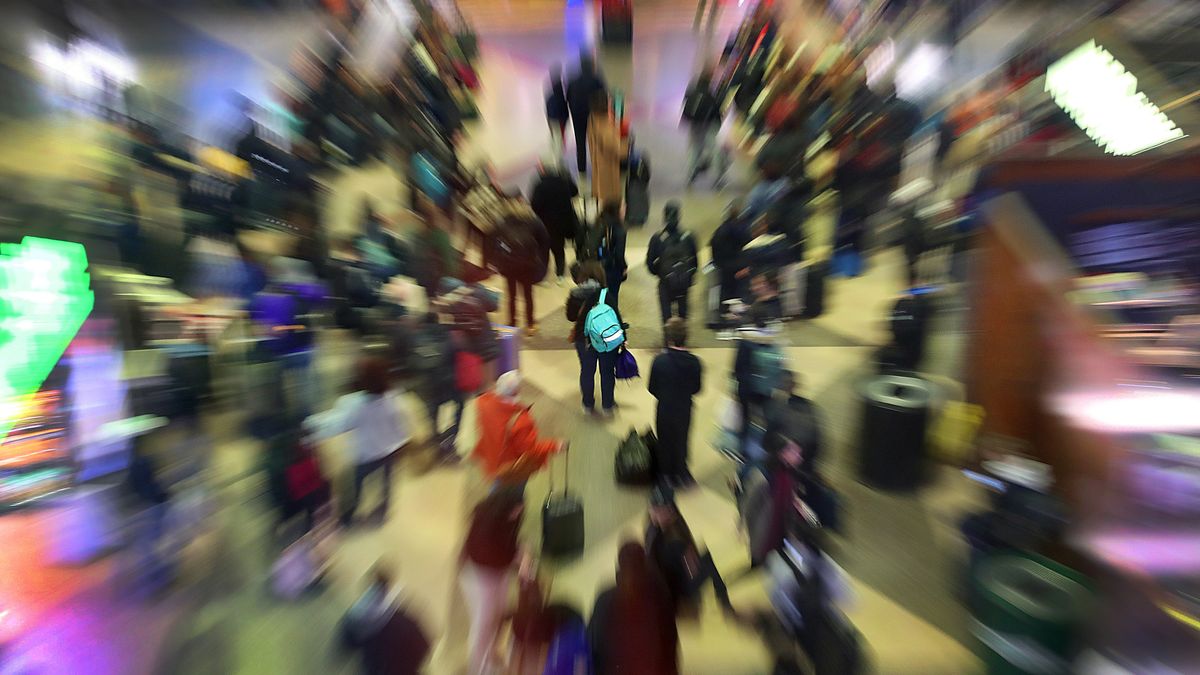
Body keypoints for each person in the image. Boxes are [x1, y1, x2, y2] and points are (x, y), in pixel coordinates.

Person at [305, 356, 413, 525]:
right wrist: (402, 443)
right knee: (387, 483)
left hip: (366, 455)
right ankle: (384, 511)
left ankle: (348, 517)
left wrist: (310, 424)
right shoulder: (394, 398)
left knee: (354, 486)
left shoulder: (355, 405)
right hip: (389, 451)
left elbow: (338, 425)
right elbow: (402, 425)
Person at [459, 488, 527, 675]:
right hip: (479, 578)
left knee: (500, 613)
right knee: (483, 624)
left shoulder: (507, 518)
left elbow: (510, 543)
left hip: (497, 573)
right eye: (516, 511)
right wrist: (515, 558)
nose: (517, 515)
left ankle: (492, 654)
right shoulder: (485, 527)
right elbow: (488, 557)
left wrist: (518, 553)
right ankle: (478, 669)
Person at [249, 256, 326, 416]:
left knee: (276, 391)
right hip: (303, 347)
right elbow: (322, 295)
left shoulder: (263, 295)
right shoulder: (304, 290)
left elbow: (255, 320)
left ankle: (282, 420)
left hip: (276, 352)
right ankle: (305, 423)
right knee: (304, 390)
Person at [587, 541, 679, 675]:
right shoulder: (659, 594)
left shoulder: (605, 599)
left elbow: (593, 642)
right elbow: (671, 639)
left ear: (619, 565)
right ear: (644, 563)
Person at [644, 485, 734, 616]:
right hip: (677, 592)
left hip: (672, 586)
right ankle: (725, 605)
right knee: (707, 560)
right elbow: (685, 568)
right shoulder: (664, 539)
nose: (668, 512)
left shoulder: (655, 529)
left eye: (668, 509)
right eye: (658, 510)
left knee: (703, 558)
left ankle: (722, 602)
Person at [472, 371, 565, 489]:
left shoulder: (483, 404)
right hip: (511, 466)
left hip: (492, 458)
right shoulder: (520, 420)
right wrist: (555, 445)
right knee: (509, 492)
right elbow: (530, 449)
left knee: (498, 487)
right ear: (517, 391)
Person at [341, 565, 432, 675]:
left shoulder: (355, 616)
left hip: (374, 669)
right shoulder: (403, 618)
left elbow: (346, 646)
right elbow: (424, 646)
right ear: (388, 587)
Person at [648, 319, 703, 487]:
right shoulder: (695, 362)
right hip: (684, 408)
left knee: (665, 439)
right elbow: (697, 388)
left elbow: (652, 387)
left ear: (669, 338)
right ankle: (681, 472)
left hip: (664, 407)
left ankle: (665, 474)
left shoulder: (659, 361)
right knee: (682, 439)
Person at [739, 432, 805, 566]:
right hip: (764, 533)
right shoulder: (763, 477)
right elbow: (749, 506)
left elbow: (789, 500)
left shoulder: (791, 474)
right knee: (759, 559)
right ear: (782, 453)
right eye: (794, 453)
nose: (799, 458)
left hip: (779, 530)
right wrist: (742, 526)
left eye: (799, 454)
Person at [566, 262, 620, 417]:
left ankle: (588, 404)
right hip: (605, 340)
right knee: (607, 372)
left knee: (587, 371)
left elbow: (570, 317)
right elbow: (616, 316)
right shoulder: (605, 294)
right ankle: (607, 405)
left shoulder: (575, 294)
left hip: (583, 339)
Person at [409, 311, 465, 462]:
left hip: (428, 387)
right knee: (460, 406)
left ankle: (436, 441)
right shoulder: (447, 336)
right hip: (448, 385)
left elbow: (413, 363)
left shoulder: (416, 339)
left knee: (433, 415)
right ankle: (451, 438)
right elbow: (458, 352)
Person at [646, 201, 699, 324]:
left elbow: (649, 264)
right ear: (679, 216)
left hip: (665, 283)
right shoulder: (688, 237)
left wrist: (660, 273)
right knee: (683, 315)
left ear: (664, 217)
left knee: (666, 317)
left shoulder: (657, 238)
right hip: (683, 283)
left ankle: (668, 340)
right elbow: (695, 263)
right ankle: (681, 340)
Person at [529, 155, 580, 284]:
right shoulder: (563, 180)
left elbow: (534, 204)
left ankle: (543, 276)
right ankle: (560, 274)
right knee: (559, 249)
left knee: (543, 250)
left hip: (545, 223)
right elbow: (575, 192)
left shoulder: (540, 185)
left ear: (542, 171)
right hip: (562, 222)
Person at [764, 371, 823, 475]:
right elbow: (817, 435)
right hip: (808, 458)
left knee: (766, 465)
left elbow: (769, 438)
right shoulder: (808, 405)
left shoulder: (777, 405)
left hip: (790, 461)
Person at [681, 67, 727, 187]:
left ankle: (691, 173)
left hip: (694, 124)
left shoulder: (692, 90)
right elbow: (716, 110)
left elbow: (685, 103)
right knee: (714, 148)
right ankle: (718, 177)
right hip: (708, 125)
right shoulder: (710, 94)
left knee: (694, 148)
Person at [566, 53, 607, 173]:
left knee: (580, 144)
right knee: (595, 143)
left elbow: (568, 97)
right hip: (593, 116)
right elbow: (604, 97)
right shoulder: (597, 80)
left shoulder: (572, 81)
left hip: (577, 116)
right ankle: (597, 168)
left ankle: (582, 171)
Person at [587, 91, 625, 206]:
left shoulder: (592, 118)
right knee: (608, 197)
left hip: (597, 163)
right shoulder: (605, 126)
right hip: (607, 166)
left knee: (598, 192)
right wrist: (626, 145)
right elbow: (617, 149)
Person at [710, 198, 750, 306]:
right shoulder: (743, 229)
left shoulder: (720, 230)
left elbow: (714, 249)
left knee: (725, 296)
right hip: (739, 269)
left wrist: (718, 264)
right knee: (739, 297)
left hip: (724, 269)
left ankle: (723, 314)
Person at [597, 201, 628, 312]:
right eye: (623, 207)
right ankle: (611, 320)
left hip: (599, 265)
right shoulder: (620, 229)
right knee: (613, 296)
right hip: (613, 268)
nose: (625, 209)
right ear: (617, 211)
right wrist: (624, 267)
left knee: (602, 295)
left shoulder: (600, 223)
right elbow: (619, 254)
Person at [545, 65, 570, 159]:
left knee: (555, 139)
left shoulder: (550, 96)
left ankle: (555, 155)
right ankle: (558, 158)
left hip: (553, 120)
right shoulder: (562, 97)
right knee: (560, 140)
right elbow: (564, 110)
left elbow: (547, 110)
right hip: (560, 121)